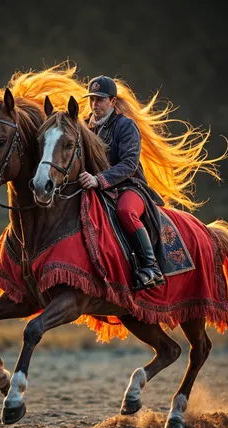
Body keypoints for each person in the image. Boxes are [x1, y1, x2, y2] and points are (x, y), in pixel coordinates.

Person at [78, 75, 165, 290]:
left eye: (100, 99)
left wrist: (98, 180)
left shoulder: (126, 126)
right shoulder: (85, 126)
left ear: (113, 102)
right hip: (99, 189)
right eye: (92, 99)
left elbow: (128, 164)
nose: (94, 104)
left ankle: (151, 268)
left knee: (125, 211)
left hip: (131, 186)